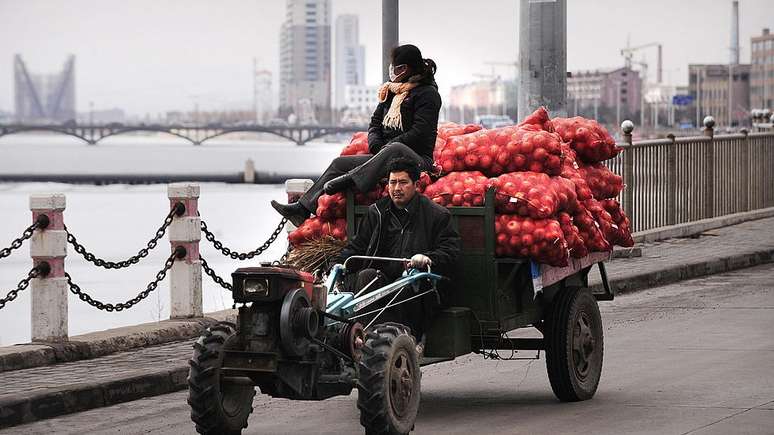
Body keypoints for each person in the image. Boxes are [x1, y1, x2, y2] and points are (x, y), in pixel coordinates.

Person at [271, 44, 442, 226]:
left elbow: (420, 131)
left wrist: (388, 147)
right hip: (385, 156)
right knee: (339, 164)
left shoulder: (428, 94)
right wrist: (376, 144)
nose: (393, 72)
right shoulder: (391, 93)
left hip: (417, 160)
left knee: (396, 148)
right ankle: (302, 208)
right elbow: (374, 123)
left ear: (406, 68)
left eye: (397, 68)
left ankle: (351, 178)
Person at [334, 157, 460, 342]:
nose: (396, 188)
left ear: (416, 185)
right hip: (382, 281)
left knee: (407, 283)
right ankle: (369, 339)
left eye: (403, 182)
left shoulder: (437, 215)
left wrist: (427, 258)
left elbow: (451, 252)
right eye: (392, 183)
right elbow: (357, 246)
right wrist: (336, 265)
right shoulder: (376, 212)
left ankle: (404, 340)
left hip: (418, 287)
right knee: (366, 276)